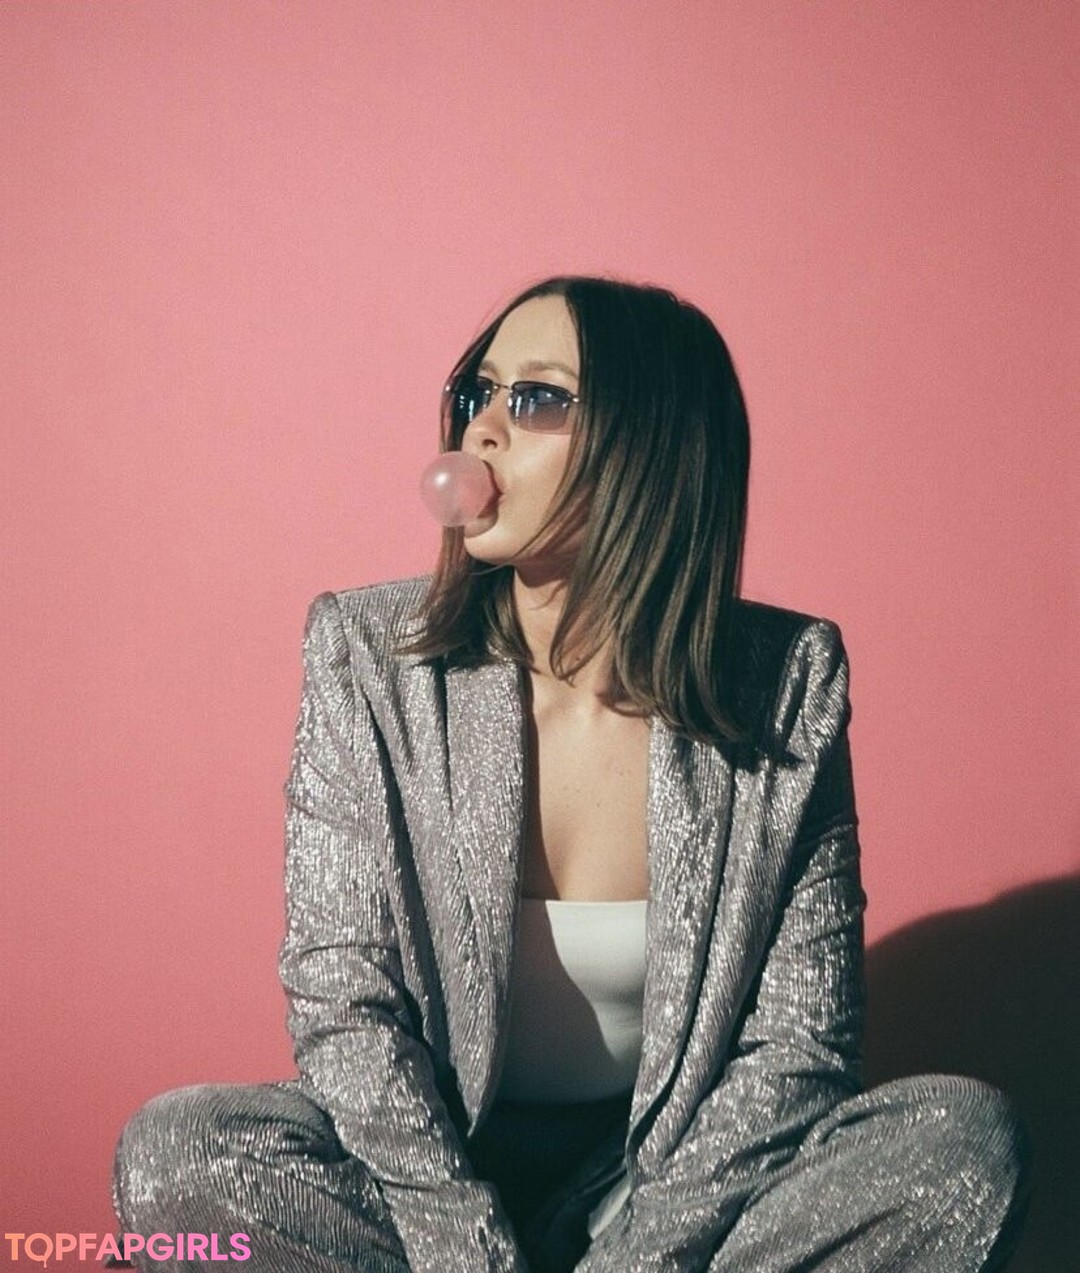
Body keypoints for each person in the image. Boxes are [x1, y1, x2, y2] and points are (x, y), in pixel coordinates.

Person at [112, 277, 1031, 1271]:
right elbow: (344, 997)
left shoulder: (785, 680)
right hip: (420, 1176)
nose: (481, 430)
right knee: (179, 1152)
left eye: (536, 398)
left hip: (667, 1181)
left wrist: (642, 1252)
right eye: (478, 392)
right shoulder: (369, 656)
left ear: (649, 442)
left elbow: (801, 1041)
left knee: (961, 1145)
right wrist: (466, 1246)